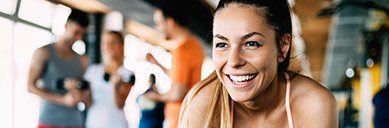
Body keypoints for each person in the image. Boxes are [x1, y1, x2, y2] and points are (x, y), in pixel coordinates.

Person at [179, 0, 338, 127]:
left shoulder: (314, 104)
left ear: (282, 47)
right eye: (222, 44)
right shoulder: (203, 106)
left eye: (251, 44)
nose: (234, 61)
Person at [143, 2, 205, 128]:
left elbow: (177, 93)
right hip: (189, 118)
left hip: (180, 120)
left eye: (159, 23)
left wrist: (154, 96)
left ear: (170, 22)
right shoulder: (194, 45)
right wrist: (158, 64)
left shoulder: (181, 51)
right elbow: (180, 78)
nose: (158, 28)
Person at [27, 9, 91, 128]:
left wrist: (80, 94)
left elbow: (85, 91)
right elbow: (30, 87)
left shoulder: (83, 60)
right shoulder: (43, 52)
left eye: (82, 34)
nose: (79, 38)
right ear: (66, 26)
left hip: (75, 122)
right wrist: (62, 100)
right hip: (49, 121)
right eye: (76, 32)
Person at [84, 31, 134, 128]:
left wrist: (115, 86)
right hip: (93, 124)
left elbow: (120, 104)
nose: (108, 46)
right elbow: (88, 102)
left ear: (122, 46)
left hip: (117, 124)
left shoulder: (127, 74)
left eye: (113, 42)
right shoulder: (93, 70)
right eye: (105, 43)